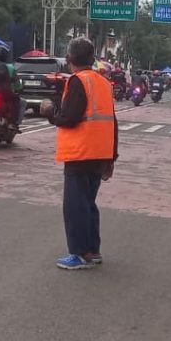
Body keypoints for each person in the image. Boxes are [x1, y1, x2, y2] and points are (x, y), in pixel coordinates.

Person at [41, 37, 118, 271]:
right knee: (88, 203)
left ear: (69, 59)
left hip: (80, 153)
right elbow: (112, 122)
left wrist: (49, 112)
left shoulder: (78, 81)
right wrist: (112, 157)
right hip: (100, 153)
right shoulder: (103, 82)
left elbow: (69, 118)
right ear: (93, 59)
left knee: (75, 206)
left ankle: (80, 254)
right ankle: (92, 250)